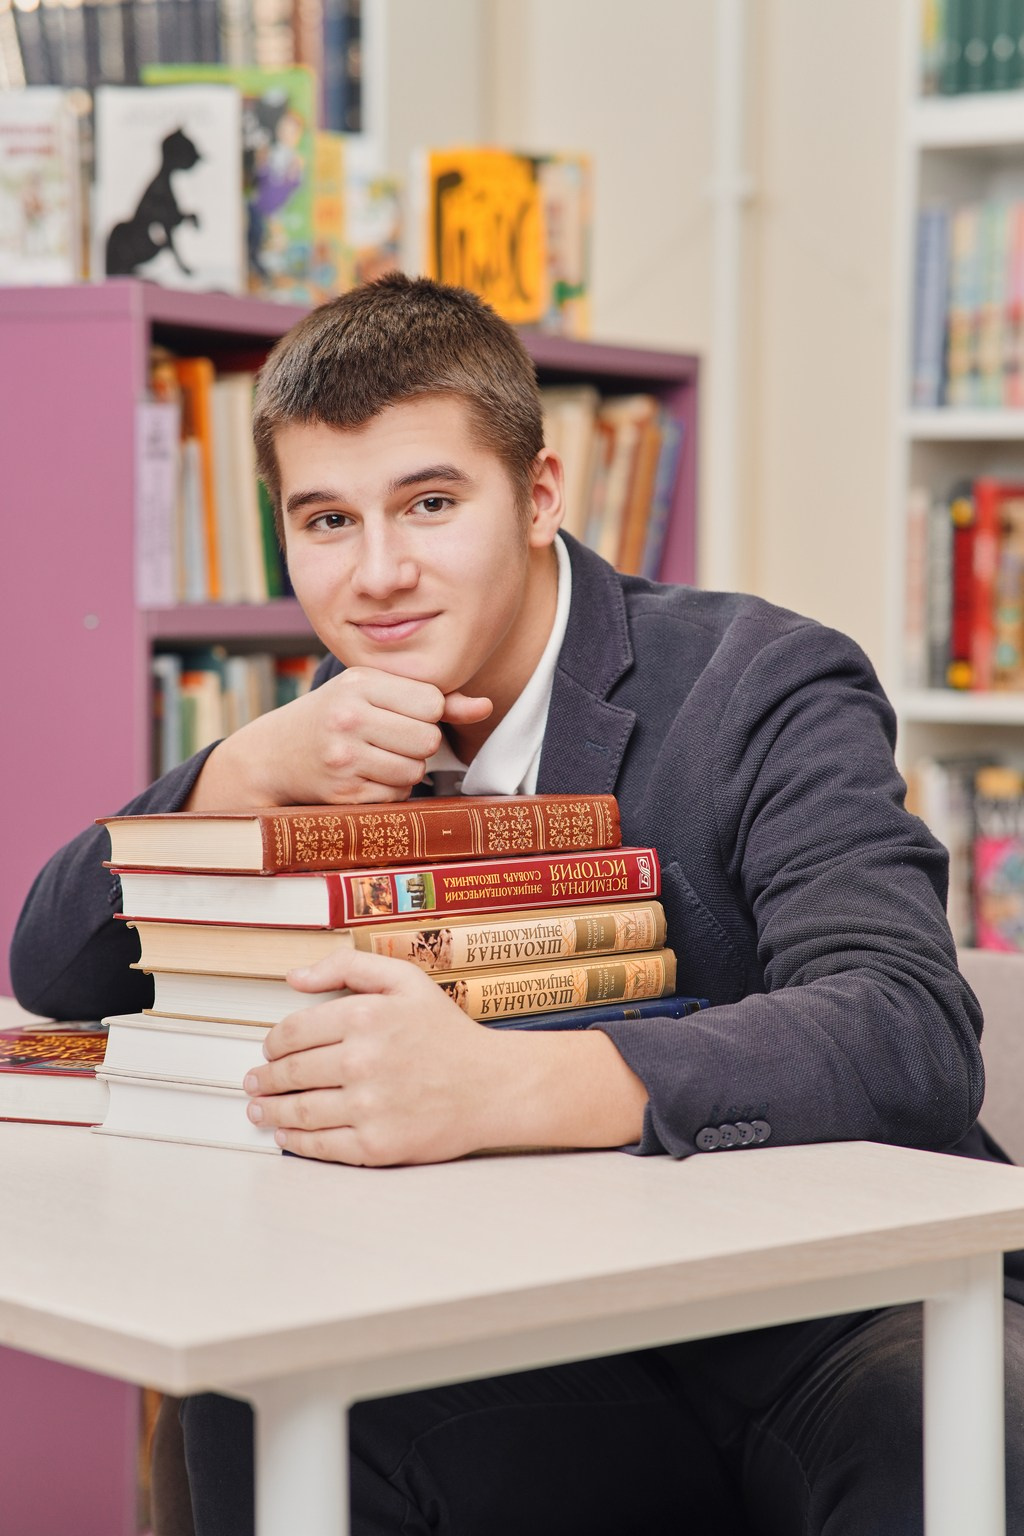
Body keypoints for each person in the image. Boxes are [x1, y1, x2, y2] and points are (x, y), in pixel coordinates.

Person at [11, 273, 1024, 1535]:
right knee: (260, 1406)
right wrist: (241, 771)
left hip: (830, 1321)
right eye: (327, 520)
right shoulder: (326, 733)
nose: (379, 574)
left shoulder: (759, 679)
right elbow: (55, 967)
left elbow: (904, 1028)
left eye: (430, 504)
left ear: (539, 495)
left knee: (952, 1420)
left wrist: (501, 1086)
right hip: (544, 1327)